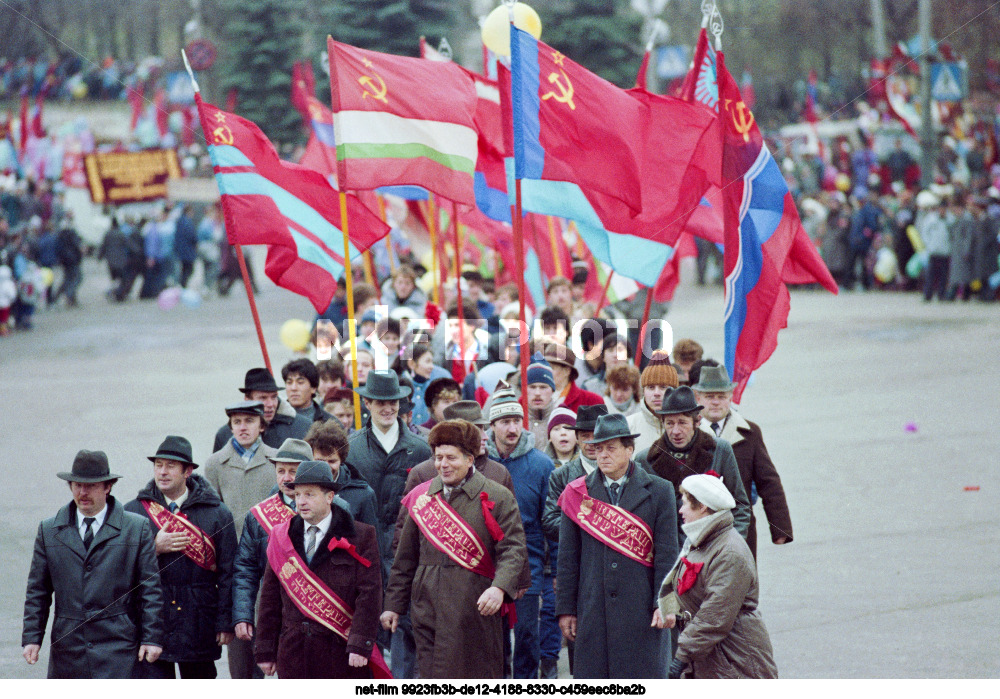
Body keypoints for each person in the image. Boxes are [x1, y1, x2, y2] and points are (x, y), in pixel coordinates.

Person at [383, 421, 528, 679]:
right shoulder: (421, 497)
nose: (443, 465)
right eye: (438, 458)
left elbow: (513, 549)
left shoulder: (498, 495)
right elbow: (405, 558)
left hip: (476, 607)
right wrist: (393, 605)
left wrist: (499, 587)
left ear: (470, 458)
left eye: (451, 457)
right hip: (427, 608)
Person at [555, 414, 678, 678]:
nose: (603, 455)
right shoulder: (577, 493)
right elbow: (567, 558)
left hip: (641, 610)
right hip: (592, 611)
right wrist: (566, 609)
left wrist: (663, 602)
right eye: (598, 449)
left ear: (629, 450)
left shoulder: (660, 491)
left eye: (611, 448)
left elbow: (667, 555)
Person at [22, 450, 164, 678]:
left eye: (91, 485)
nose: (82, 492)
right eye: (77, 485)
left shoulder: (136, 528)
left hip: (118, 645)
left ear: (108, 487)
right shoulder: (49, 531)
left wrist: (152, 637)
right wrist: (32, 637)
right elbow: (38, 591)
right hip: (68, 646)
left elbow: (151, 589)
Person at [255, 461, 385, 678]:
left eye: (309, 494)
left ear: (329, 497)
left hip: (340, 652)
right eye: (297, 495)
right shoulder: (281, 536)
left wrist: (360, 643)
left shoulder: (361, 536)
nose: (301, 502)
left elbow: (370, 594)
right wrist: (266, 650)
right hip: (293, 652)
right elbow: (269, 598)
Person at [125, 436, 238, 679]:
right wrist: (152, 549)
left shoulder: (217, 513)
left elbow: (230, 572)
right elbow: (118, 567)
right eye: (158, 465)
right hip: (151, 622)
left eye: (171, 466)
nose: (162, 472)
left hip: (200, 621)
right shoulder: (133, 511)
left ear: (188, 471)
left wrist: (225, 621)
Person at [345, 370, 432, 678]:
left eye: (393, 402)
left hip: (406, 555)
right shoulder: (351, 448)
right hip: (362, 554)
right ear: (367, 403)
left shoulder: (421, 449)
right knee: (364, 633)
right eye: (379, 401)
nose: (387, 408)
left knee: (406, 630)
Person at [656, 473, 778, 678]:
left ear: (703, 506)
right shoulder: (704, 541)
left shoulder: (729, 553)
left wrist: (682, 656)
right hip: (714, 656)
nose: (680, 510)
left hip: (736, 661)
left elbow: (714, 616)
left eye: (685, 503)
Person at [202, 400, 279, 678]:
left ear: (262, 425)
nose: (243, 427)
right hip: (236, 566)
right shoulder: (215, 465)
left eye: (249, 421)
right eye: (237, 422)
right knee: (242, 647)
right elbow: (211, 518)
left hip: (275, 559)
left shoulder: (278, 461)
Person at [484, 384, 555, 679]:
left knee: (527, 633)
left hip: (529, 558)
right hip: (487, 559)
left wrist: (552, 568)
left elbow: (549, 520)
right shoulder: (480, 464)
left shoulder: (541, 464)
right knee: (493, 636)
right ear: (493, 426)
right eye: (504, 422)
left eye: (516, 421)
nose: (512, 428)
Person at [231, 438, 314, 679]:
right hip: (274, 615)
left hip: (319, 614)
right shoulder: (258, 516)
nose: (287, 478)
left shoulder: (333, 510)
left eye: (294, 470)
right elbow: (245, 570)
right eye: (281, 471)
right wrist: (243, 614)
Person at [693, 366, 793, 559]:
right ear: (698, 398)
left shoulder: (749, 433)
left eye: (721, 396)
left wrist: (780, 529)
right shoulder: (688, 434)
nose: (715, 402)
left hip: (740, 527)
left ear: (731, 397)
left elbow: (769, 481)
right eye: (709, 396)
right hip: (699, 528)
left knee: (741, 583)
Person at [634, 387, 752, 542]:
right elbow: (638, 515)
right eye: (669, 423)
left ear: (697, 421)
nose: (675, 431)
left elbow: (740, 505)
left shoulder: (720, 450)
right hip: (668, 554)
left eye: (682, 423)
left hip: (711, 546)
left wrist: (732, 543)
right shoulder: (645, 460)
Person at [212, 368, 313, 451]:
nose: (270, 404)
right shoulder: (225, 435)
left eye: (274, 397)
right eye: (263, 398)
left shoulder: (303, 428)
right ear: (247, 400)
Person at [306, 419, 379, 531]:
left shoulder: (363, 494)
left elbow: (371, 541)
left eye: (332, 461)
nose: (326, 467)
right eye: (319, 461)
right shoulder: (298, 488)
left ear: (342, 460)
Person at [627, 350, 679, 453]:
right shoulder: (628, 426)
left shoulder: (695, 426)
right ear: (643, 391)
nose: (656, 393)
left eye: (663, 387)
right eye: (651, 387)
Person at [544, 344, 603, 413]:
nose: (545, 371)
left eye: (551, 368)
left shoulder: (591, 401)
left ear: (567, 371)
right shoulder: (535, 397)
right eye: (544, 367)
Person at [282, 357, 334, 423]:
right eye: (289, 382)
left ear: (313, 388)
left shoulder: (328, 422)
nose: (293, 388)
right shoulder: (275, 419)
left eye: (300, 382)